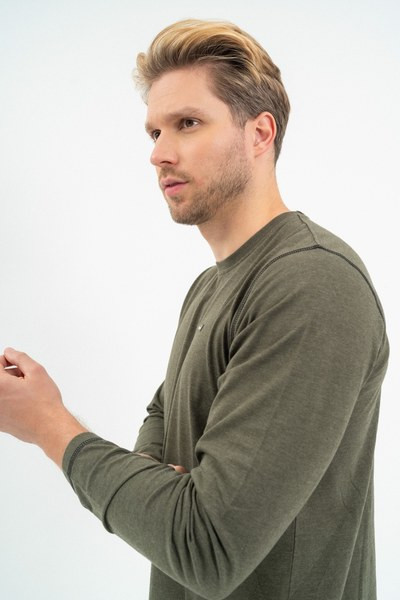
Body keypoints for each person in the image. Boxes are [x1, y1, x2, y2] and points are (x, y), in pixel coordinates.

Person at [0, 18, 389, 600]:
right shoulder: (210, 286)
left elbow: (206, 547)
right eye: (154, 132)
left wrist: (47, 424)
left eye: (187, 123)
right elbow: (164, 413)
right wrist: (162, 490)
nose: (159, 154)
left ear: (260, 133)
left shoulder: (311, 282)